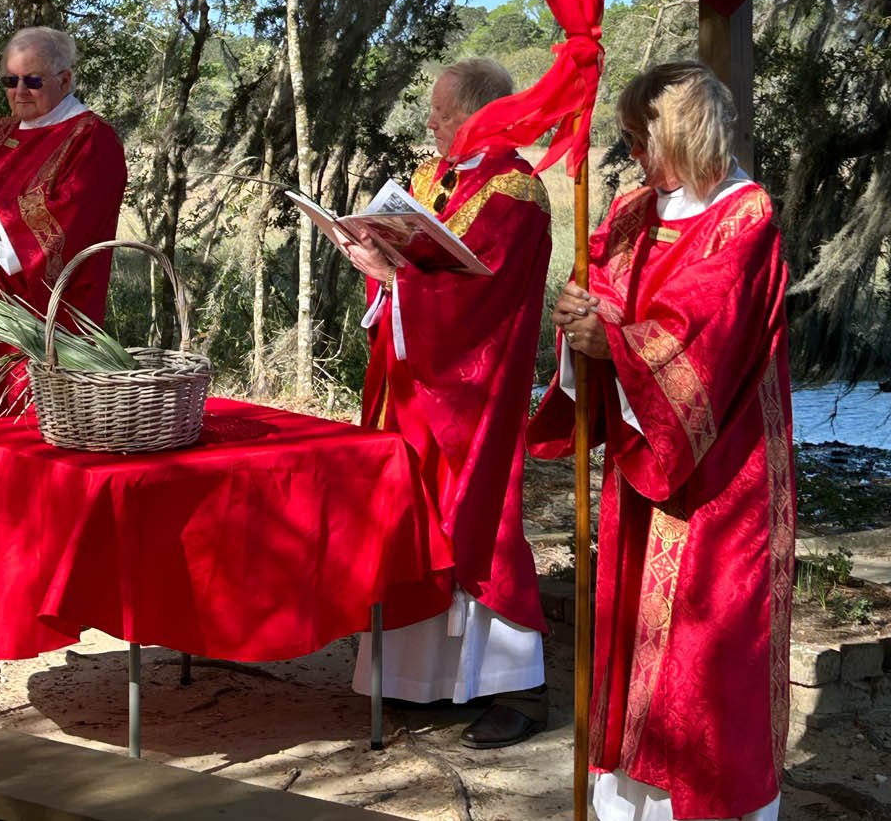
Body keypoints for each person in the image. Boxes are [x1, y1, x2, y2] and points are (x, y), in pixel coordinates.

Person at [529, 61, 794, 821]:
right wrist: (579, 317)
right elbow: (608, 302)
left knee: (707, 659)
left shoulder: (746, 222)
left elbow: (700, 337)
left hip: (722, 477)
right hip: (643, 462)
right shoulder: (634, 209)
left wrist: (612, 342)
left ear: (678, 133)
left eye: (640, 140)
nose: (634, 159)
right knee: (630, 641)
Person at [339, 57, 553, 748]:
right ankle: (417, 679)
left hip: (470, 388)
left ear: (485, 116)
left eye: (444, 113)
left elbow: (481, 301)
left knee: (477, 517)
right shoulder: (432, 180)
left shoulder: (517, 192)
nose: (430, 123)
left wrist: (393, 279)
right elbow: (421, 268)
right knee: (409, 512)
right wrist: (378, 263)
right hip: (409, 380)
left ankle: (517, 687)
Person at [0, 26, 128, 421]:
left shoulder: (92, 140)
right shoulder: (2, 132)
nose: (20, 91)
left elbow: (67, 218)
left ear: (65, 79)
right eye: (10, 80)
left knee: (24, 427)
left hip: (39, 320)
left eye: (33, 81)